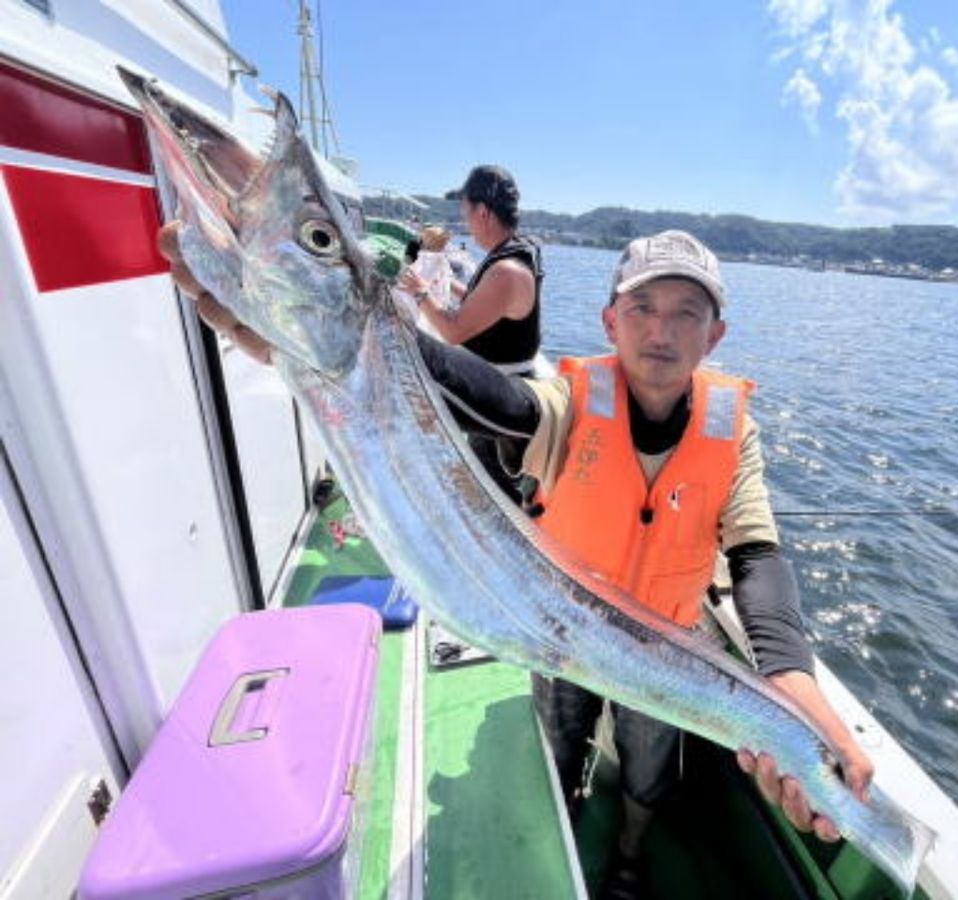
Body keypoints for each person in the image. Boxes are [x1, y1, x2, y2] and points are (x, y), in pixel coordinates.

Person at [158, 225, 873, 900]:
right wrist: (364, 339)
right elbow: (502, 404)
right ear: (609, 321)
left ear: (715, 335)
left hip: (670, 653)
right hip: (557, 637)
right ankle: (559, 816)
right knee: (556, 744)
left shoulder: (734, 432)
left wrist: (789, 680)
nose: (661, 330)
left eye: (688, 312)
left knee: (648, 776)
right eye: (643, 307)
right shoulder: (571, 400)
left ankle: (627, 858)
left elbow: (756, 556)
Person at [398, 164, 544, 500]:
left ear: (482, 212)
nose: (465, 224)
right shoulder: (512, 254)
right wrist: (448, 287)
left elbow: (453, 333)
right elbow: (491, 305)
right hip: (498, 383)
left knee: (494, 490)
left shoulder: (506, 270)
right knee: (481, 475)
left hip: (503, 393)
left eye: (465, 214)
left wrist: (421, 293)